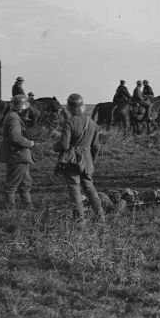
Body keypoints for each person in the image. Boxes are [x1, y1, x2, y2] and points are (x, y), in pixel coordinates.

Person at [54, 93, 105, 223]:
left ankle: (79, 222)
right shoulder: (92, 123)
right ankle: (101, 217)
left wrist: (55, 146)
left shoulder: (69, 122)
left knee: (74, 189)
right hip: (87, 161)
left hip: (73, 162)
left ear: (70, 107)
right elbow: (95, 146)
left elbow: (64, 145)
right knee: (90, 188)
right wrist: (91, 161)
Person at [0, 94, 35, 209]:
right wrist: (30, 143)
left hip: (18, 155)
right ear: (21, 107)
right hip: (17, 155)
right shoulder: (13, 117)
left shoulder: (12, 115)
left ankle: (28, 205)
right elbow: (15, 137)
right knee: (12, 184)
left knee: (25, 182)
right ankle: (10, 210)